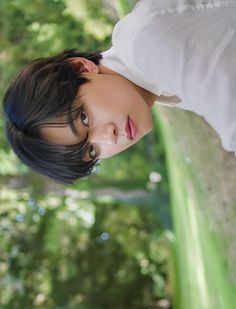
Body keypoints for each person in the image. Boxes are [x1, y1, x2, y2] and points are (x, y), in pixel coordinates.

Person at [2, 0, 236, 184]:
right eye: (92, 151)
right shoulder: (153, 85)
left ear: (81, 67)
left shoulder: (148, 45)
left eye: (84, 118)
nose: (109, 137)